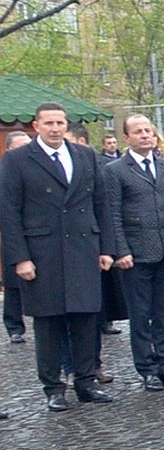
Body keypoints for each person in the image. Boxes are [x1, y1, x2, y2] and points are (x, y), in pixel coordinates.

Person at [0, 103, 116, 411]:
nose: (55, 128)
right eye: (49, 123)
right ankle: (53, 387)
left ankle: (86, 381)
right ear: (36, 126)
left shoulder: (85, 155)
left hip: (83, 249)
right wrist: (19, 258)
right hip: (42, 252)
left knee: (85, 319)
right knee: (48, 324)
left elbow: (101, 204)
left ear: (67, 125)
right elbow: (9, 212)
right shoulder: (17, 160)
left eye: (60, 122)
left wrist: (106, 248)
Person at [105, 114, 164, 391]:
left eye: (149, 131)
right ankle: (147, 368)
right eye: (138, 132)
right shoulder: (116, 170)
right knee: (141, 315)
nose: (145, 135)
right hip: (136, 255)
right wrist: (120, 249)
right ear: (127, 138)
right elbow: (113, 213)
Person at [2, 130, 32, 342]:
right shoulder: (5, 171)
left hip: (38, 231)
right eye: (20, 147)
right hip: (13, 232)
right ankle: (14, 326)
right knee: (14, 283)